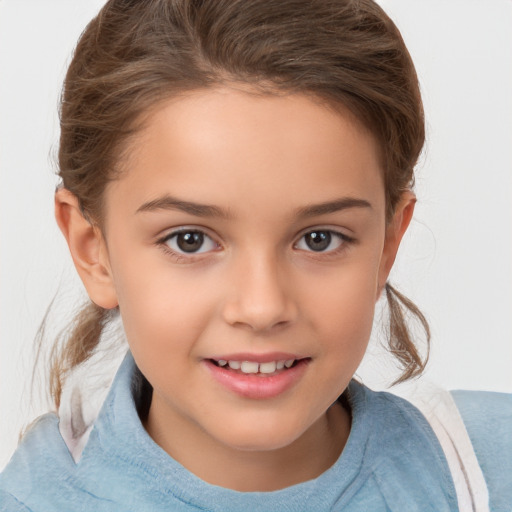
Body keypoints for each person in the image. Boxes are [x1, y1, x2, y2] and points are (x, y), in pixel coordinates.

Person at [0, 0, 510, 510]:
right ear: (94, 251)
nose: (263, 308)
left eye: (319, 239)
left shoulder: (487, 471)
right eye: (190, 240)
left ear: (387, 244)